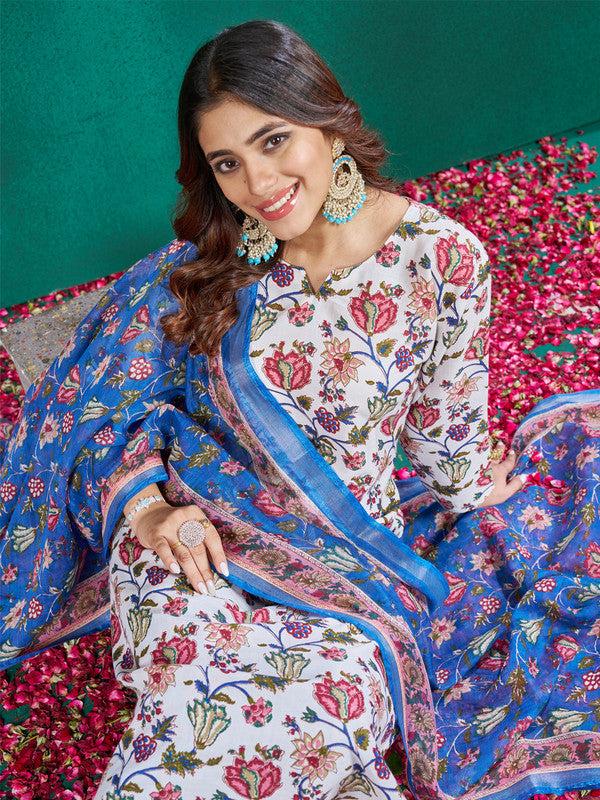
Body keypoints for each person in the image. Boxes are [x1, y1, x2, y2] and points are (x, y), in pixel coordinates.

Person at [1, 19, 599, 800]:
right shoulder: (204, 270)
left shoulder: (441, 260)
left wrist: (473, 484)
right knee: (190, 695)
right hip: (194, 546)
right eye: (227, 162)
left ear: (328, 120)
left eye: (274, 140)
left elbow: (447, 455)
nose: (257, 183)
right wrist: (148, 512)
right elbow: (95, 413)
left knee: (321, 712)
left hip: (344, 578)